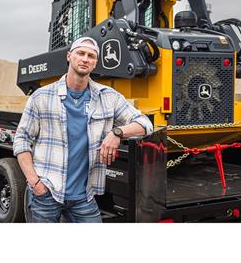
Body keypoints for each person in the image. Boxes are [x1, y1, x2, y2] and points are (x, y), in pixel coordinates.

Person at [13, 36, 153, 223]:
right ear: (69, 56)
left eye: (91, 56)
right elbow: (21, 140)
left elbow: (145, 124)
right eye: (81, 53)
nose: (85, 59)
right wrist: (35, 183)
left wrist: (117, 133)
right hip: (47, 192)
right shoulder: (41, 97)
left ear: (95, 63)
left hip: (83, 197)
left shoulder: (108, 97)